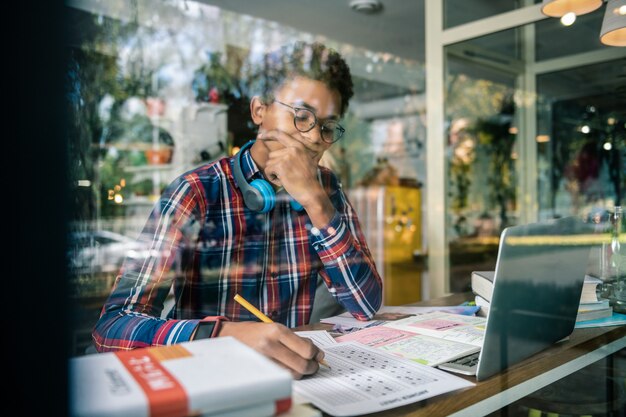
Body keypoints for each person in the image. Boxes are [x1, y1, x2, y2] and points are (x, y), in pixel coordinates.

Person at [92, 41, 383, 379]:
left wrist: (316, 203)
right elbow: (112, 328)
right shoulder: (196, 192)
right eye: (302, 116)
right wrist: (222, 336)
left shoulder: (326, 189)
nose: (315, 136)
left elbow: (366, 306)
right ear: (259, 110)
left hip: (300, 380)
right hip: (210, 379)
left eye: (327, 126)